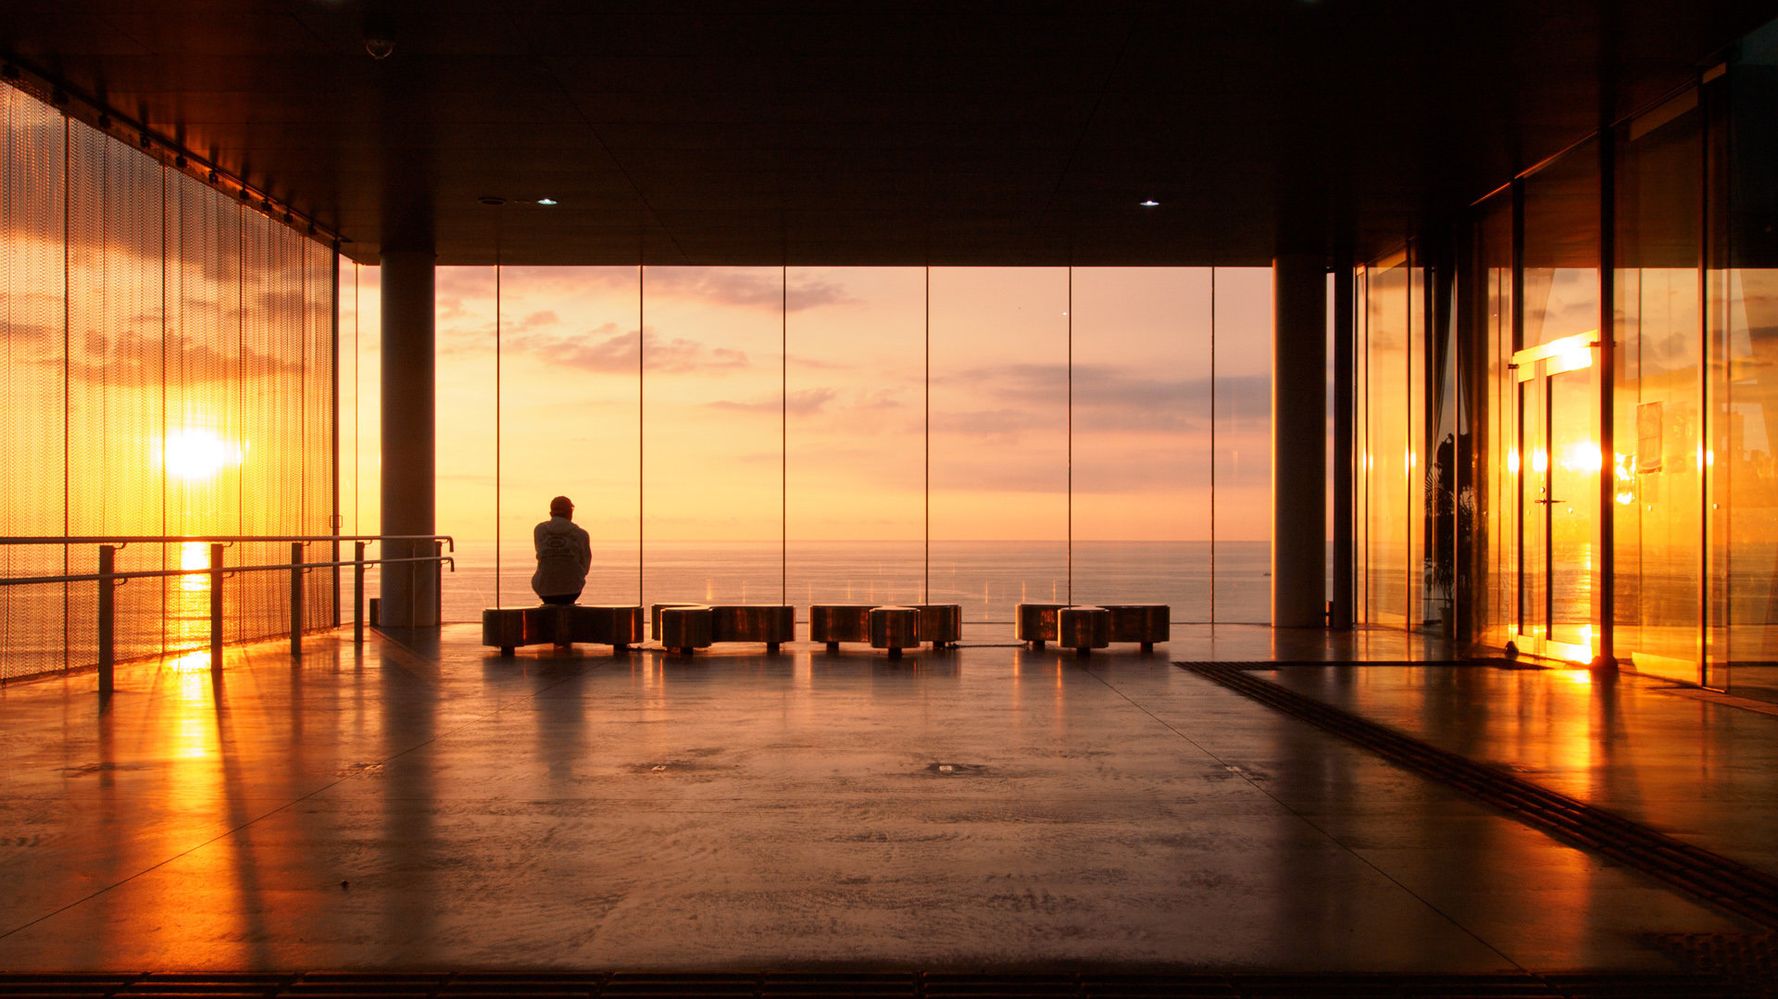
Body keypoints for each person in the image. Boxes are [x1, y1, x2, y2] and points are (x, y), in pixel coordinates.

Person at [532, 495, 591, 605]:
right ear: (570, 513)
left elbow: (540, 554)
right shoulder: (581, 534)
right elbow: (585, 566)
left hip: (544, 589)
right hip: (572, 590)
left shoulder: (540, 530)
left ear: (551, 513)